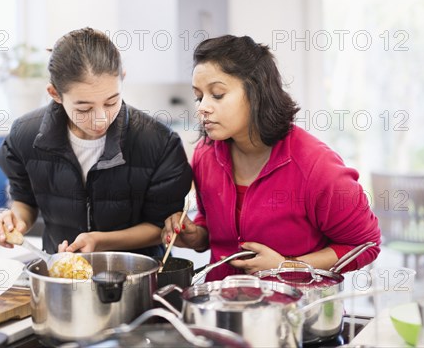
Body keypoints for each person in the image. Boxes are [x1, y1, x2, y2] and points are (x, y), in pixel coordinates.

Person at [162, 35, 381, 281]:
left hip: (294, 313)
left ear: (256, 92)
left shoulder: (317, 168)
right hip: (222, 309)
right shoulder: (205, 155)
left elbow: (366, 244)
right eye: (199, 96)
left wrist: (289, 266)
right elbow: (210, 222)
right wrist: (197, 235)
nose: (202, 107)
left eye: (218, 94)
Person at [0, 27, 192, 257]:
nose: (100, 119)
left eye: (111, 102)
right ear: (55, 93)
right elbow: (24, 201)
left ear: (122, 79)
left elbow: (160, 227)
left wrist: (99, 241)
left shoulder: (158, 142)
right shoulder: (25, 135)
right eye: (84, 108)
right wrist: (15, 222)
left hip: (138, 277)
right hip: (60, 275)